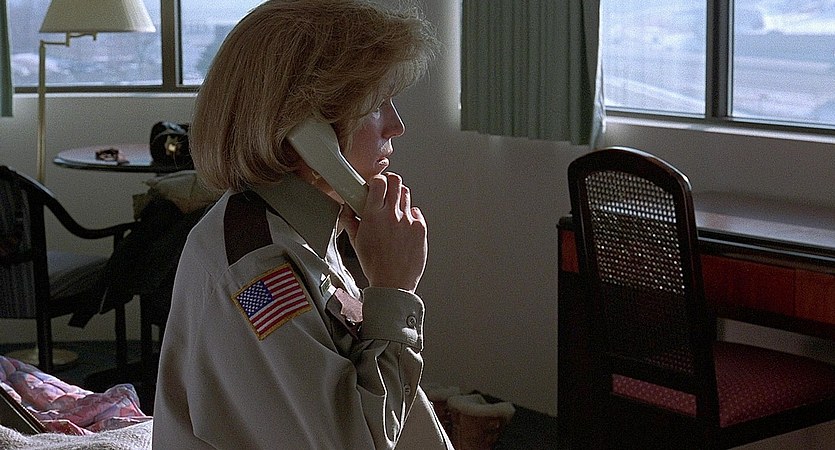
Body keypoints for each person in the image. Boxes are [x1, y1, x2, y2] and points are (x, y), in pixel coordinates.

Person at [151, 0, 452, 448]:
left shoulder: (301, 232)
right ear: (306, 132)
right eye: (376, 104)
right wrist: (393, 289)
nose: (396, 126)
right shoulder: (257, 275)